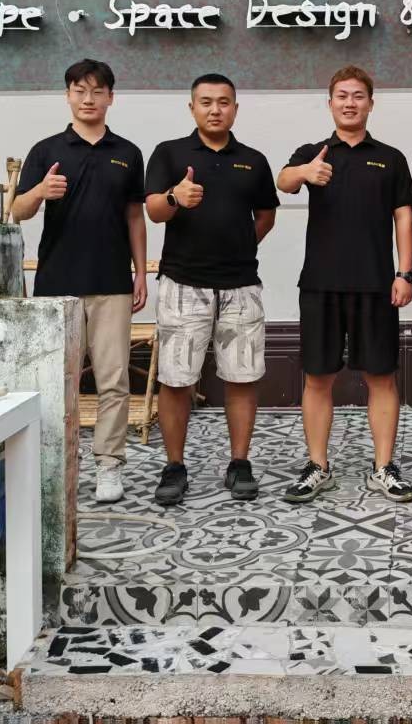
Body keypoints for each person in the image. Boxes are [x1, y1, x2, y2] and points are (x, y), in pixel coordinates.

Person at [277, 65, 412, 503]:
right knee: (318, 378)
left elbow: (404, 218)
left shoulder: (390, 158)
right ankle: (318, 466)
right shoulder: (313, 152)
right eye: (342, 95)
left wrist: (405, 272)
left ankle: (383, 467)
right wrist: (305, 173)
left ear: (371, 104)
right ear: (330, 102)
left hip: (376, 285)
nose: (350, 103)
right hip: (320, 284)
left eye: (358, 96)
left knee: (381, 377)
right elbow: (282, 180)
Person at [12, 59, 147, 503]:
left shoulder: (127, 152)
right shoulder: (46, 150)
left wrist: (140, 272)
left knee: (114, 380)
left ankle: (109, 465)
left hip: (112, 281)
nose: (88, 99)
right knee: (57, 380)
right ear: (68, 95)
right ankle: (57, 460)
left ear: (111, 97)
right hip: (57, 284)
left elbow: (135, 215)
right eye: (79, 90)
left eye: (97, 91)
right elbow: (17, 211)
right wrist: (39, 192)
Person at [143, 73, 278, 506]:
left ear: (235, 108)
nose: (215, 109)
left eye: (223, 102)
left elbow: (266, 215)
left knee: (242, 377)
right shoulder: (169, 153)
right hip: (183, 284)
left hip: (241, 286)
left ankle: (239, 463)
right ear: (192, 108)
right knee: (175, 379)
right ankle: (174, 466)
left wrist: (239, 245)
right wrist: (175, 197)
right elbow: (153, 210)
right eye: (206, 102)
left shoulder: (253, 160)